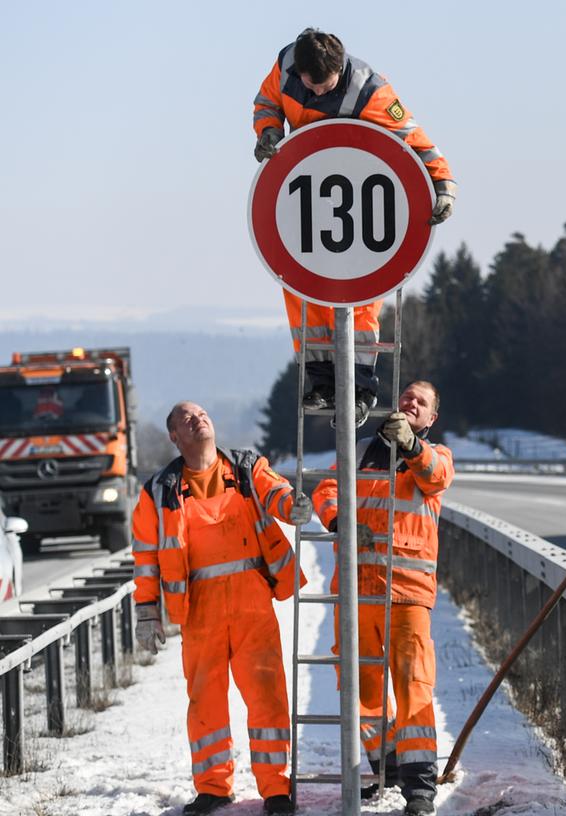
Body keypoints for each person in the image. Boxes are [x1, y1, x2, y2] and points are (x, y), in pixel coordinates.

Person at [253, 28, 458, 421]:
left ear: (339, 70)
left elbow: (414, 138)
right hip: (307, 197)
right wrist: (270, 131)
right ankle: (320, 382)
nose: (313, 94)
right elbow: (267, 102)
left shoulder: (370, 91)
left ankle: (361, 386)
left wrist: (443, 183)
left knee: (360, 300)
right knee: (301, 292)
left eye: (323, 87)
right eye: (308, 86)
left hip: (361, 206)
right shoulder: (287, 65)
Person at [131, 402, 312, 816]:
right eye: (186, 419)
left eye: (202, 413)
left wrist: (293, 507)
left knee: (267, 697)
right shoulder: (158, 491)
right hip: (199, 610)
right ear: (175, 437)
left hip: (252, 603)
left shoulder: (246, 467)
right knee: (205, 702)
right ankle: (213, 788)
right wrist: (146, 611)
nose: (199, 419)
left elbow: (277, 491)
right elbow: (144, 557)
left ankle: (276, 790)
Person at [312, 381, 454, 816]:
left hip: (407, 596)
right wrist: (337, 519)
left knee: (414, 688)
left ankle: (420, 788)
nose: (411, 402)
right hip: (357, 593)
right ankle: (387, 765)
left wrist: (411, 445)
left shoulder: (436, 457)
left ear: (431, 419)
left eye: (422, 402)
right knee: (359, 689)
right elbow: (327, 489)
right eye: (407, 396)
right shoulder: (358, 452)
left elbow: (436, 476)